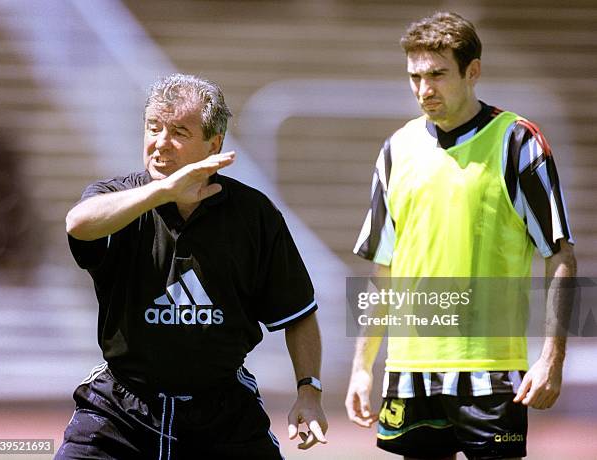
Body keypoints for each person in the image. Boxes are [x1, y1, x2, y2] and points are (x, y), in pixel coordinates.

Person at [57, 74, 327, 460]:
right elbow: (78, 224)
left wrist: (309, 392)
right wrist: (164, 191)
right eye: (154, 128)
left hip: (223, 410)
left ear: (214, 144)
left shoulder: (254, 215)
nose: (161, 142)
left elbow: (298, 314)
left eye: (179, 131)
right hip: (119, 409)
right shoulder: (116, 198)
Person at [345, 11, 576, 460]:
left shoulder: (517, 142)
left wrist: (552, 358)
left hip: (489, 374)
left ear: (473, 72)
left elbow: (560, 255)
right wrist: (362, 367)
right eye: (415, 76)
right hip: (409, 372)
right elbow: (383, 267)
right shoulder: (396, 150)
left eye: (437, 74)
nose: (423, 90)